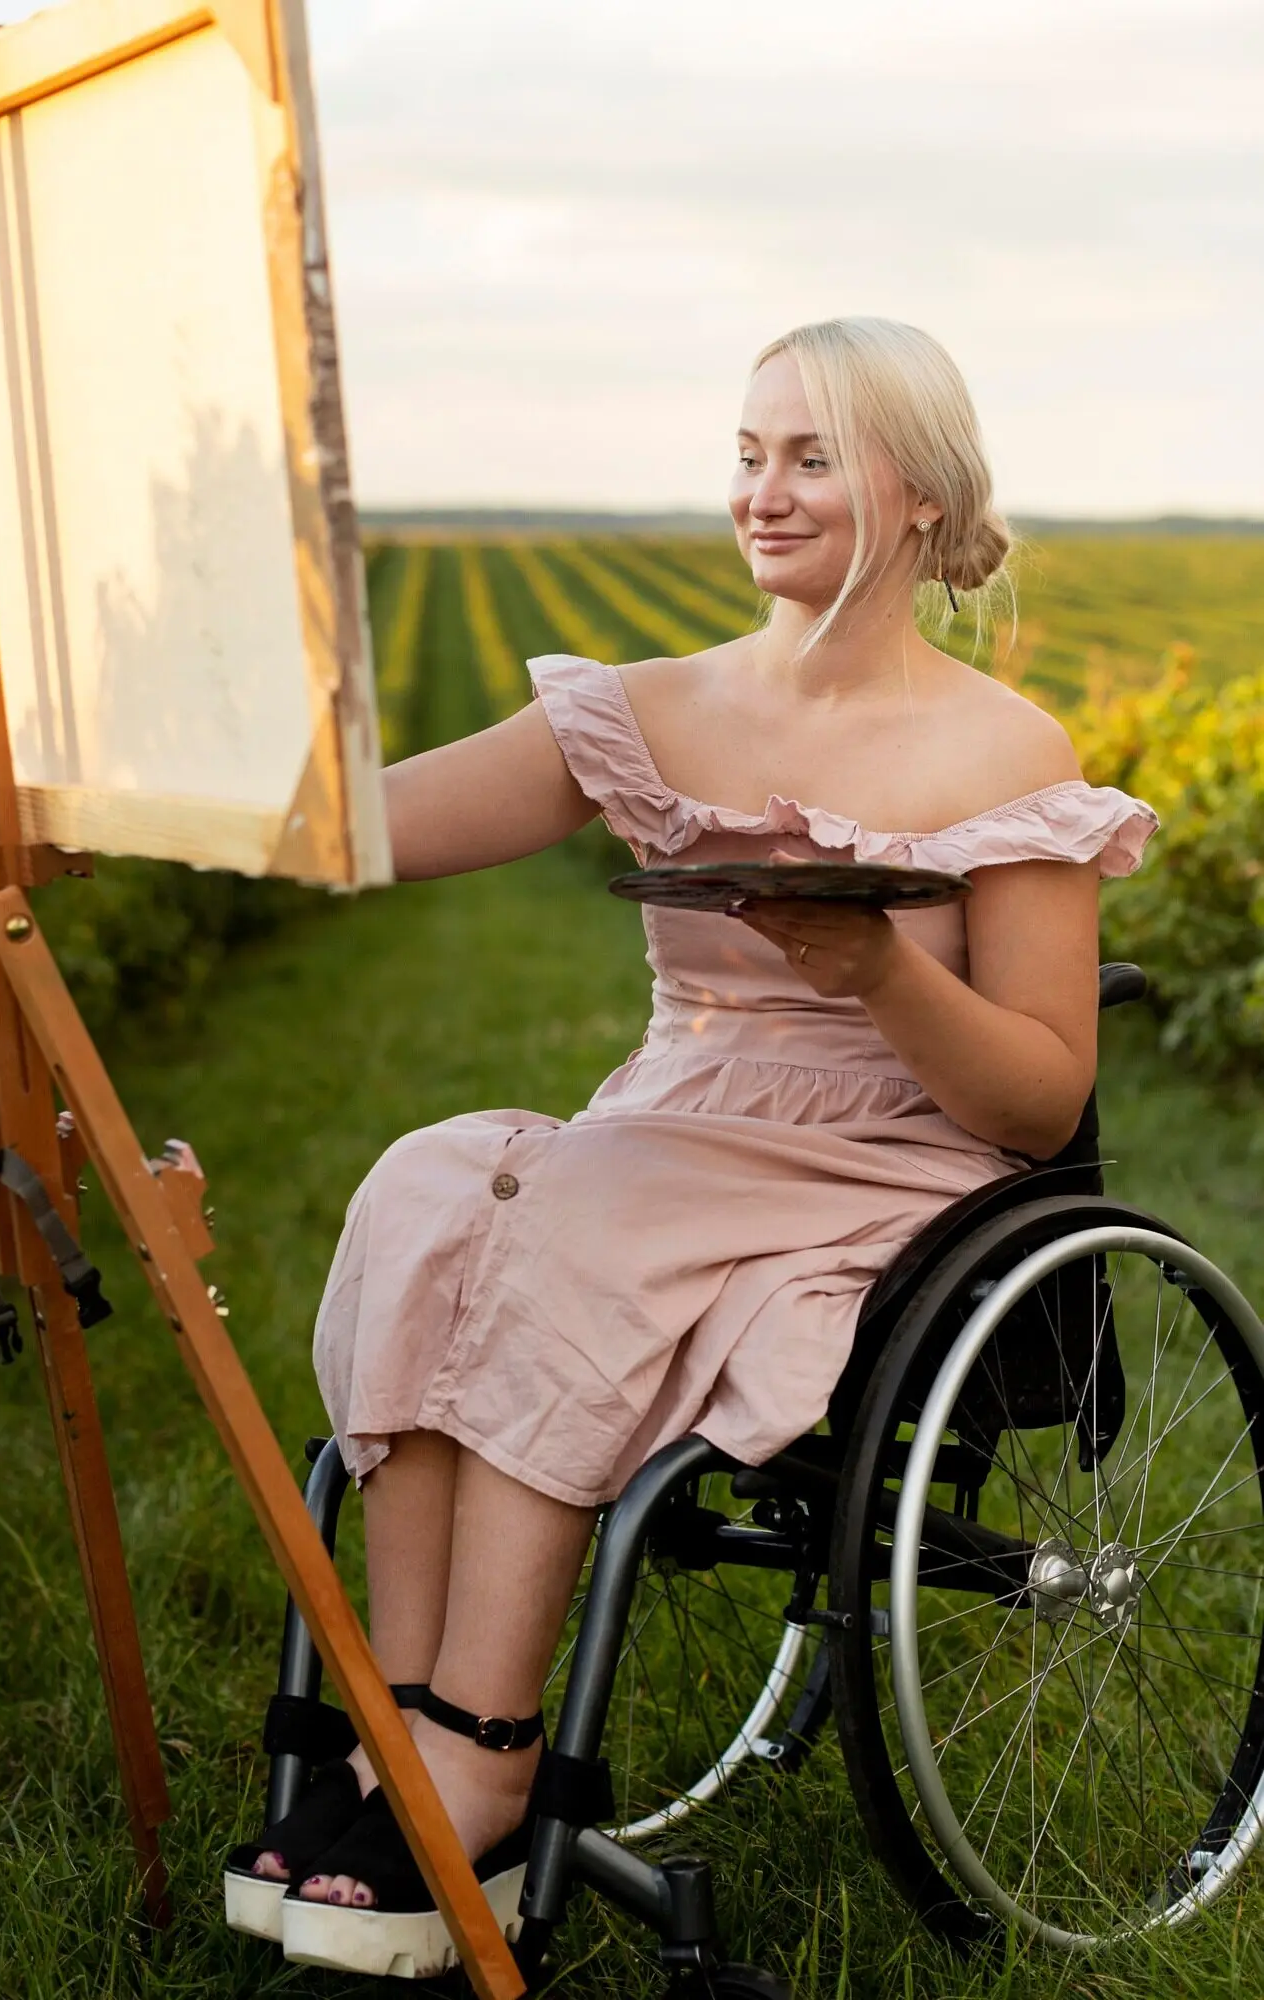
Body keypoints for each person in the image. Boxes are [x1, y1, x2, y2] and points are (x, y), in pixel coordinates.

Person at [224, 315, 1158, 1976]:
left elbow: (1034, 1098)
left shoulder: (1003, 755)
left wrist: (875, 965)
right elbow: (372, 825)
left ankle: (490, 1761)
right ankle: (398, 1730)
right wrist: (184, 793)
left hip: (885, 1167)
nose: (763, 491)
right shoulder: (654, 710)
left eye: (810, 457)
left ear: (923, 497)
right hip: (671, 1126)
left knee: (578, 1220)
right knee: (434, 1183)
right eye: (747, 453)